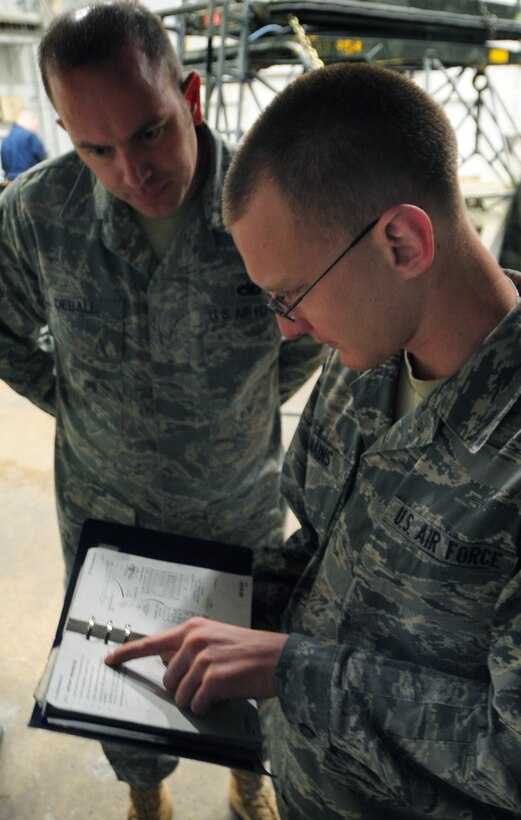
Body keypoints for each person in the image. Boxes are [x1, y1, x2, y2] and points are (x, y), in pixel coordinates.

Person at [107, 62, 521, 819]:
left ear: (400, 242)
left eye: (290, 294)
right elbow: (329, 548)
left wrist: (294, 670)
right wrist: (217, 605)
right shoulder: (362, 361)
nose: (284, 327)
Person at [0, 3, 324, 819]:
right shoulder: (40, 214)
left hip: (234, 506)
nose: (131, 171)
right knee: (123, 685)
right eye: (95, 148)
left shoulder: (270, 197)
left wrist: (237, 405)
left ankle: (247, 782)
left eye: (148, 132)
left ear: (190, 95)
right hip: (109, 514)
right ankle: (147, 797)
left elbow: (315, 326)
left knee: (240, 678)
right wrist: (76, 405)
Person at [0, 110, 47, 183]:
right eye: (35, 126)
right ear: (29, 121)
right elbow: (42, 158)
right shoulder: (30, 136)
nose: (35, 129)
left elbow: (4, 164)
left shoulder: (6, 139)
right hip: (30, 179)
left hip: (11, 183)